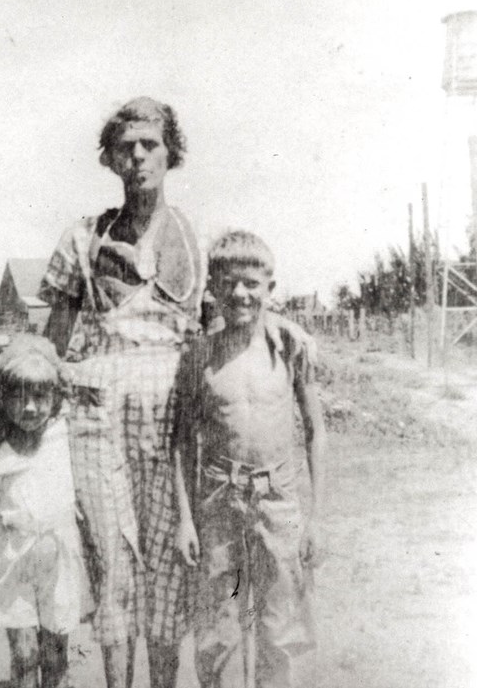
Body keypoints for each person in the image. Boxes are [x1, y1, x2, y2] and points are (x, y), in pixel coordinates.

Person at [38, 97, 202, 688]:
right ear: (110, 158)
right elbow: (51, 347)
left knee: (166, 564)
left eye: (150, 145)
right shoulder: (82, 240)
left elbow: (222, 337)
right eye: (125, 147)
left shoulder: (198, 242)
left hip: (170, 425)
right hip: (97, 419)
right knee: (113, 562)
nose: (138, 157)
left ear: (170, 153)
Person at [173, 230, 327, 688]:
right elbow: (182, 441)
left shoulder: (289, 351)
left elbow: (317, 432)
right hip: (219, 503)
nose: (240, 293)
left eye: (251, 283)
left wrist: (315, 517)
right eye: (228, 283)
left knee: (280, 628)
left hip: (278, 503)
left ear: (269, 289)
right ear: (213, 289)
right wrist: (185, 518)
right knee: (219, 631)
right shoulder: (200, 358)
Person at [0, 335, 91, 688]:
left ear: (55, 399)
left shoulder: (66, 438)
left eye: (40, 397)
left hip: (59, 562)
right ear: (2, 398)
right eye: (19, 396)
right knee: (24, 655)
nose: (30, 408)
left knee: (55, 655)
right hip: (12, 562)